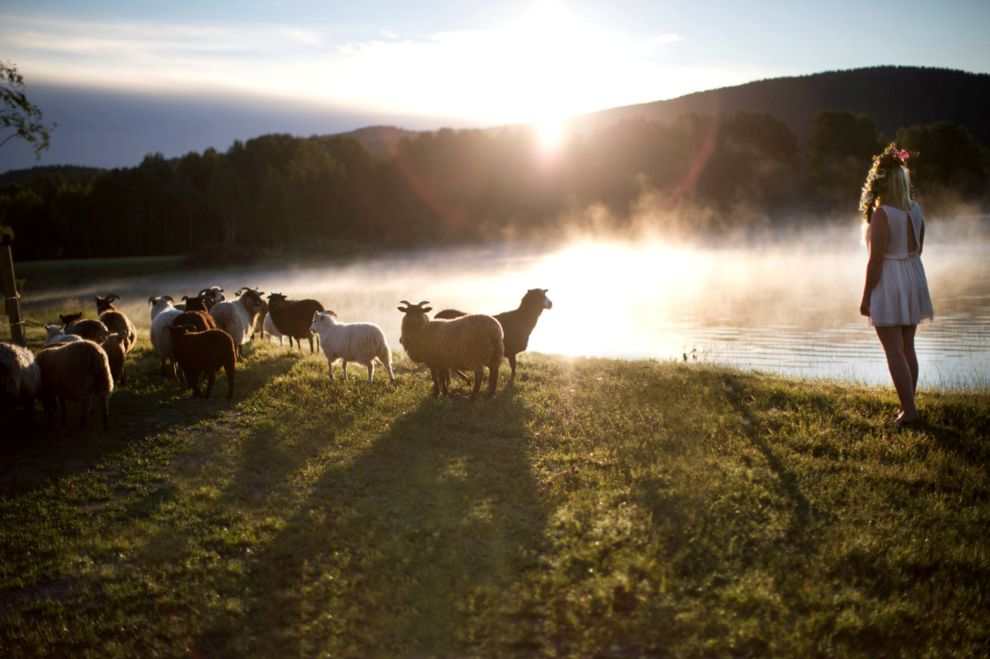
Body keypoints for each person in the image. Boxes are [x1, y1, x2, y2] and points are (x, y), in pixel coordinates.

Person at [859, 145, 934, 426]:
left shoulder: (882, 214)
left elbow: (876, 260)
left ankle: (910, 410)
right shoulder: (915, 210)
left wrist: (866, 297)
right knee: (907, 347)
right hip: (914, 274)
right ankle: (908, 407)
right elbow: (920, 248)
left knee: (893, 348)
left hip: (891, 276)